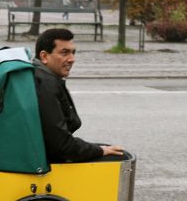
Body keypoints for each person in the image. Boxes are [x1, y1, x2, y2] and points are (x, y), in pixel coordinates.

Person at [33, 28, 124, 162]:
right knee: (117, 157)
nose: (72, 59)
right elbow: (62, 145)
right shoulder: (46, 84)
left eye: (73, 53)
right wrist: (100, 150)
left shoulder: (40, 76)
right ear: (44, 56)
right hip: (45, 162)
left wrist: (97, 149)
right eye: (64, 53)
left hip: (43, 155)